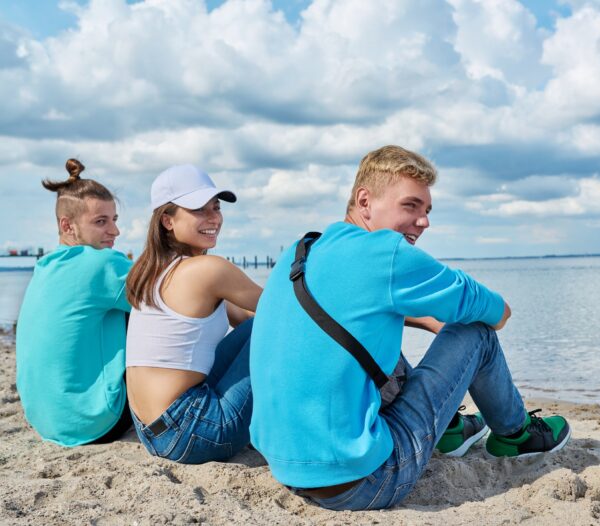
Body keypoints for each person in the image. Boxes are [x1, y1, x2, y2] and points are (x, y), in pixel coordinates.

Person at [250, 145, 571, 510]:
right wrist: (455, 324)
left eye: (427, 210)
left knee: (374, 329)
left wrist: (427, 320)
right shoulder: (387, 253)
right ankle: (514, 434)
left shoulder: (300, 251)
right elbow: (498, 312)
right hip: (364, 480)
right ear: (365, 200)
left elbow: (355, 312)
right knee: (475, 332)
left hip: (288, 467)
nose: (424, 221)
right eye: (411, 206)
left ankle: (447, 428)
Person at [125, 164, 262, 464]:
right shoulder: (208, 270)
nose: (213, 217)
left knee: (260, 329)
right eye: (199, 209)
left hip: (150, 431)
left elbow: (242, 320)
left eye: (216, 207)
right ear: (167, 221)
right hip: (193, 433)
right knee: (277, 326)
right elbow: (289, 311)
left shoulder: (151, 271)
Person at [16, 159, 133, 447]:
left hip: (46, 422)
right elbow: (175, 296)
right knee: (153, 311)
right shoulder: (102, 262)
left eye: (114, 220)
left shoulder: (45, 266)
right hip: (96, 421)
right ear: (67, 226)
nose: (115, 232)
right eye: (101, 222)